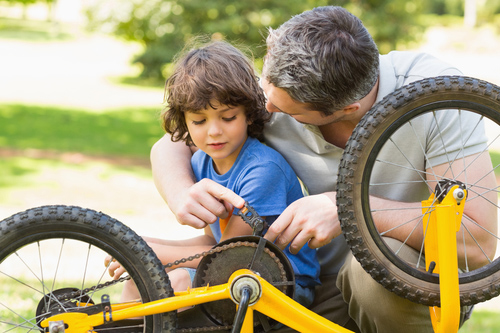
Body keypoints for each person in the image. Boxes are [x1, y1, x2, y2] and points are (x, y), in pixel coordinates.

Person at [150, 6, 497, 333]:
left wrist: (347, 209)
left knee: (370, 273)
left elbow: (477, 238)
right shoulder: (279, 90)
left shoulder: (433, 94)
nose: (266, 107)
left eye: (290, 111)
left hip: (402, 280)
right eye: (265, 87)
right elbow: (173, 142)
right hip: (309, 280)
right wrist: (181, 192)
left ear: (347, 108)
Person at [108, 40, 320, 309]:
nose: (214, 131)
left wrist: (150, 252)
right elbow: (213, 241)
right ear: (184, 121)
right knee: (139, 278)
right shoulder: (201, 162)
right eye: (199, 121)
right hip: (236, 270)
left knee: (180, 281)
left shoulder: (263, 169)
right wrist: (143, 245)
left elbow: (229, 255)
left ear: (249, 115)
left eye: (228, 117)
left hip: (283, 283)